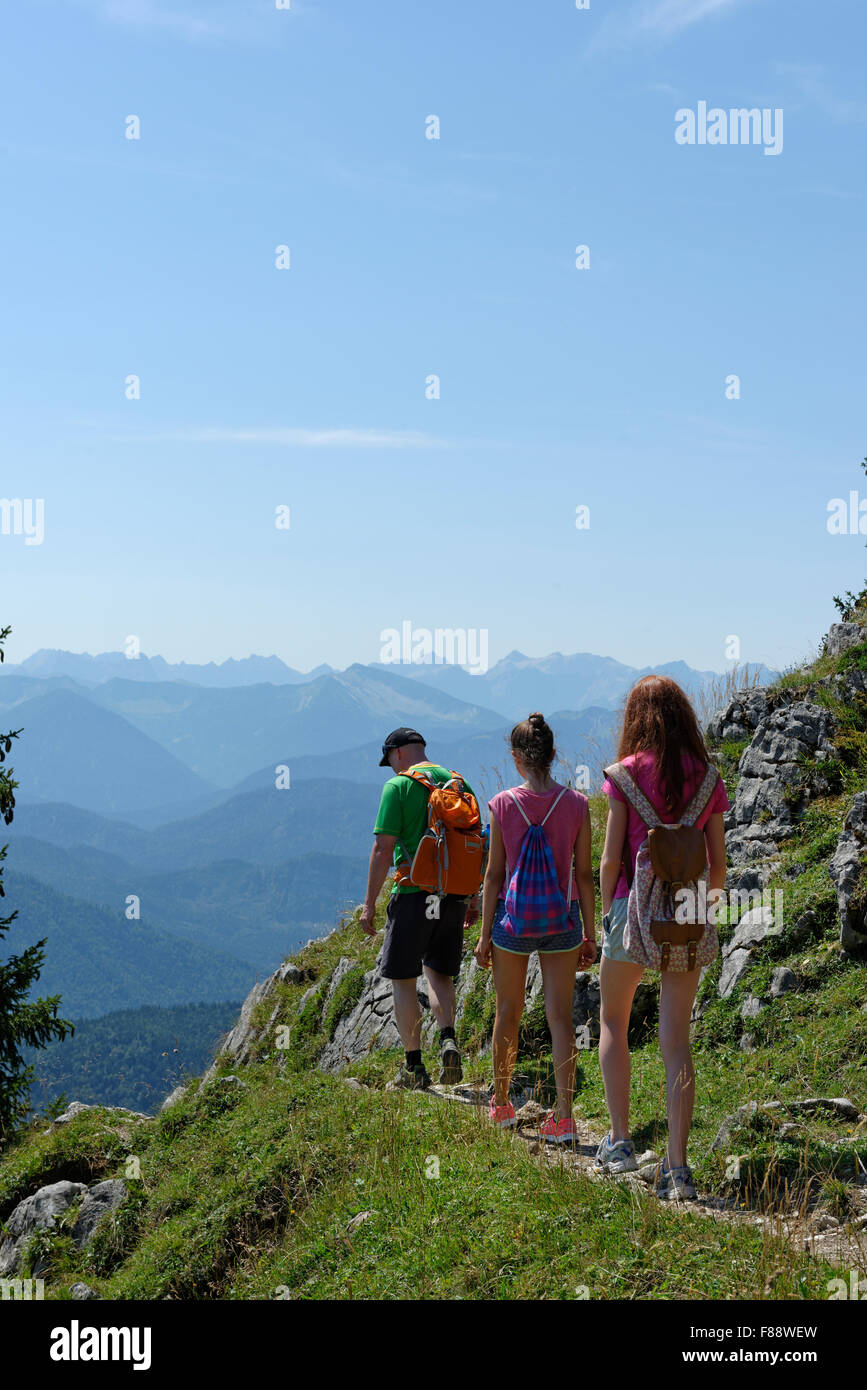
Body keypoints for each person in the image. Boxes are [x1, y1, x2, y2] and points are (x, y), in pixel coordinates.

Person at [596, 675, 729, 1200]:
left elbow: (610, 860)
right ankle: (678, 1170)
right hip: (688, 912)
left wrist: (609, 911)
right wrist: (703, 911)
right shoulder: (708, 776)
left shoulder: (623, 776)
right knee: (676, 1042)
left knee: (613, 1020)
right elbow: (717, 865)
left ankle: (621, 1142)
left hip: (633, 908)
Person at [474, 713, 596, 1142]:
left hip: (513, 923)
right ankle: (564, 1118)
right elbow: (584, 876)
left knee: (508, 1013)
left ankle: (503, 1104)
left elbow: (493, 876)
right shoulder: (578, 805)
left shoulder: (503, 805)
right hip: (562, 923)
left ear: (516, 758)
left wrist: (485, 935)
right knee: (560, 1017)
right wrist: (589, 934)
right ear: (553, 755)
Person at [361, 727, 480, 1089]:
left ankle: (414, 1067)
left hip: (414, 895)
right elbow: (475, 843)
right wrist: (473, 898)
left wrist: (369, 906)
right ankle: (448, 1039)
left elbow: (383, 849)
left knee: (403, 981)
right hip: (452, 897)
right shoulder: (459, 783)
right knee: (440, 974)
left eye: (390, 762)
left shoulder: (398, 787)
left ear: (397, 754)